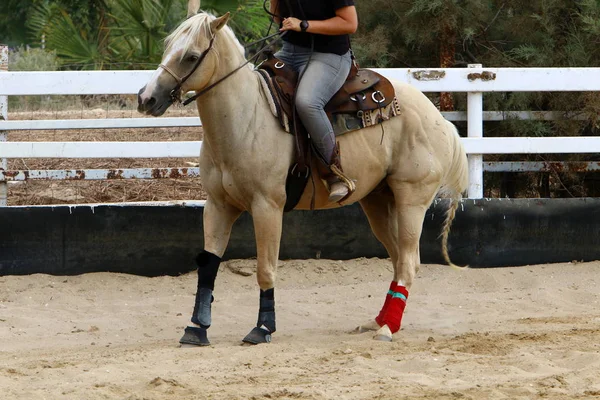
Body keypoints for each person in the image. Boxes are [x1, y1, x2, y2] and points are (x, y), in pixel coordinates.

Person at [269, 0, 358, 202]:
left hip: (330, 55)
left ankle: (334, 172)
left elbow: (350, 24)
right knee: (255, 87)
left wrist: (304, 25)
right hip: (290, 51)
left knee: (307, 102)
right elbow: (278, 18)